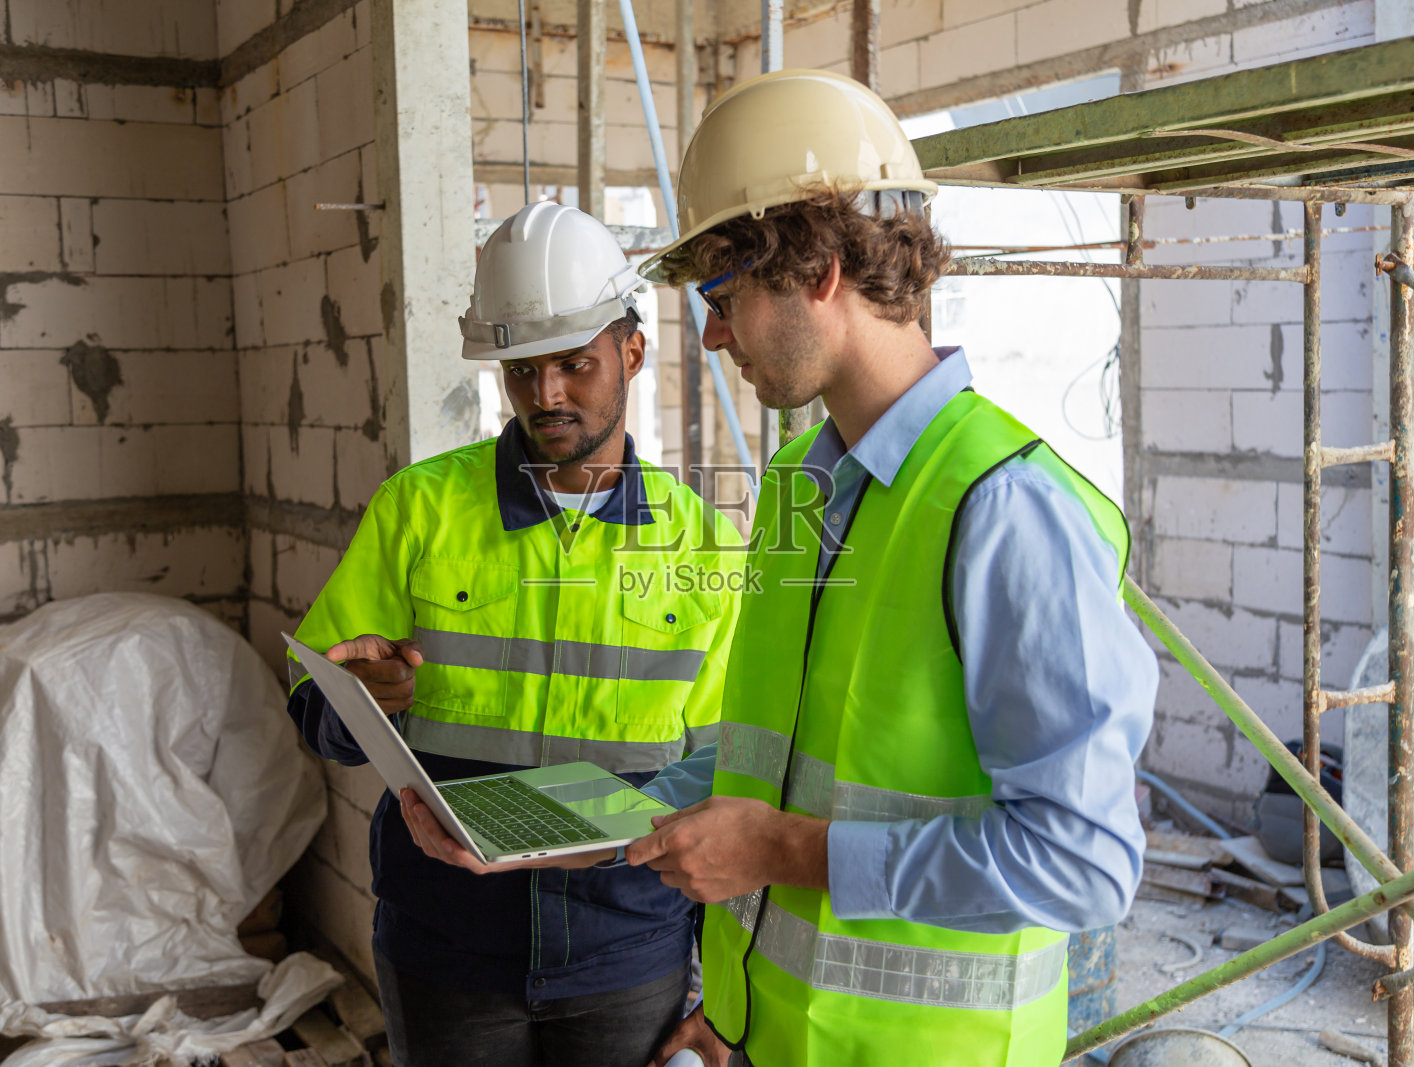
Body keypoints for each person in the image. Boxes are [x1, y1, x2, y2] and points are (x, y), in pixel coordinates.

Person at [402, 70, 1158, 1066]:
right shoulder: (806, 482)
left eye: (722, 295)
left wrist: (783, 853)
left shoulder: (1005, 510)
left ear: (821, 268)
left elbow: (1082, 859)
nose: (712, 334)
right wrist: (544, 829)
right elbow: (758, 766)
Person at [286, 200, 743, 1067]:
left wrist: (722, 989)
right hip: (445, 948)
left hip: (628, 950)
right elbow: (315, 705)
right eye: (523, 369)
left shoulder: (706, 545)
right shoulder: (419, 509)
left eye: (575, 364)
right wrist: (355, 701)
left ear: (632, 352)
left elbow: (732, 774)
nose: (549, 395)